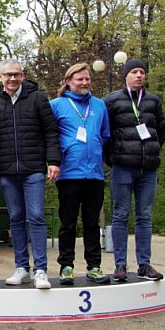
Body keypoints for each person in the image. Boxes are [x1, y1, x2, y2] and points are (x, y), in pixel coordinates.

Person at [0, 59, 61, 290]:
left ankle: (40, 270)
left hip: (34, 170)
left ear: (23, 75)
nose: (12, 79)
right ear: (0, 77)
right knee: (16, 218)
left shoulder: (38, 99)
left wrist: (53, 161)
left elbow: (51, 131)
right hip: (7, 172)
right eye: (7, 75)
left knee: (36, 216)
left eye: (16, 75)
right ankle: (21, 268)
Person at [104, 58, 165, 282]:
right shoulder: (112, 101)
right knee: (120, 214)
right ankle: (120, 264)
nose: (139, 75)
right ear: (126, 76)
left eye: (142, 72)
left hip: (148, 169)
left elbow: (161, 131)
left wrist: (151, 152)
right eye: (134, 72)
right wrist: (113, 157)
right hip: (122, 167)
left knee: (145, 216)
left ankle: (144, 264)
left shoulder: (153, 101)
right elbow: (104, 133)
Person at [50, 63, 111, 285]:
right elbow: (50, 138)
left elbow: (104, 135)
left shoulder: (99, 105)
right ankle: (66, 266)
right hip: (68, 173)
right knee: (68, 223)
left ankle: (94, 266)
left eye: (87, 79)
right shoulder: (56, 105)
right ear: (68, 81)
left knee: (92, 223)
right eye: (79, 79)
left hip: (94, 174)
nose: (84, 83)